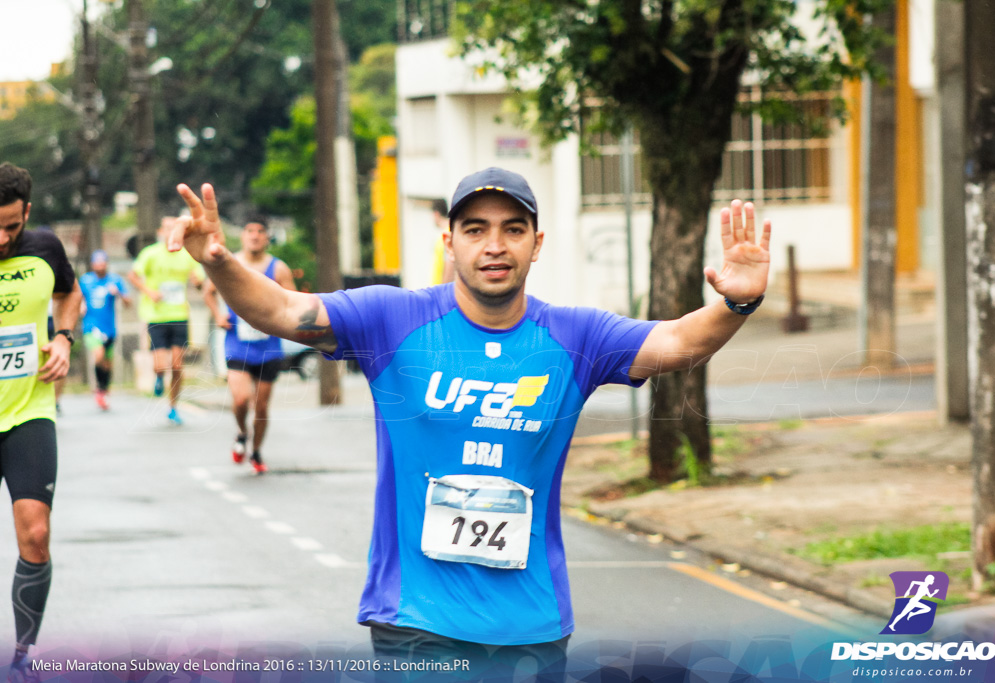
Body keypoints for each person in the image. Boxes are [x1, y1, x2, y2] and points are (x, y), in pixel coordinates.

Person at [170, 168, 770, 673]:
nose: (494, 246)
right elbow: (283, 311)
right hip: (415, 623)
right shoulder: (391, 318)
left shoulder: (573, 335)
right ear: (449, 241)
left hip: (531, 627)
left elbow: (673, 343)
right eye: (475, 229)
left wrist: (736, 303)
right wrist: (220, 263)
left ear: (537, 244)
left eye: (513, 230)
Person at [0, 162, 83, 681]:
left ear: (26, 212)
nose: (1, 236)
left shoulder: (45, 248)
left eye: (10, 225)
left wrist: (64, 338)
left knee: (36, 533)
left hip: (29, 410)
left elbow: (69, 295)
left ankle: (23, 657)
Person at [202, 216, 296, 474]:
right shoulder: (229, 263)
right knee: (242, 399)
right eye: (249, 231)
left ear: (267, 237)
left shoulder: (279, 269)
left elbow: (293, 300)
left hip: (269, 346)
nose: (254, 236)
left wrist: (287, 324)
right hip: (237, 342)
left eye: (260, 231)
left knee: (262, 406)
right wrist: (218, 315)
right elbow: (208, 291)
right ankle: (242, 432)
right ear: (242, 236)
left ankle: (256, 452)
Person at [127, 217, 204, 425]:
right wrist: (149, 291)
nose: (171, 232)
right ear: (161, 231)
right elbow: (132, 275)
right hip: (156, 315)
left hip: (179, 315)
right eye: (168, 228)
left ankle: (173, 407)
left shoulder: (186, 255)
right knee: (161, 366)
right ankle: (159, 377)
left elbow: (199, 280)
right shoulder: (150, 253)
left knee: (178, 366)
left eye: (175, 229)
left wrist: (198, 282)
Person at [79, 249, 131, 411]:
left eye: (103, 263)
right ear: (93, 265)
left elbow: (129, 303)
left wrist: (119, 295)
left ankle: (104, 390)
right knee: (99, 354)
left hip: (109, 328)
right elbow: (77, 298)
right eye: (97, 263)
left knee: (107, 363)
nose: (100, 266)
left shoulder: (115, 280)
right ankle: (99, 390)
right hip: (91, 326)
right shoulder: (86, 280)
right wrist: (80, 306)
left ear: (106, 264)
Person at [430, 198, 454, 285]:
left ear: (436, 214)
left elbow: (449, 265)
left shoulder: (447, 235)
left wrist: (443, 292)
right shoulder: (448, 232)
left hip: (441, 291)